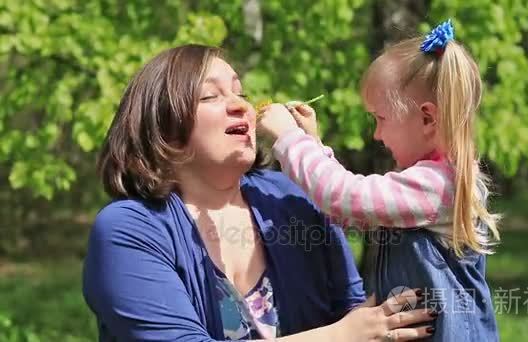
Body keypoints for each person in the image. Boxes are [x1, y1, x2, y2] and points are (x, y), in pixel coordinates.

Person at [82, 44, 437, 342]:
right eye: (210, 95)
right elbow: (352, 329)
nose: (241, 105)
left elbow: (355, 312)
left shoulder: (291, 198)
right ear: (162, 125)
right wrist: (341, 335)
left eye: (241, 93)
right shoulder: (129, 231)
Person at [258, 19, 500, 341]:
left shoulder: (438, 186)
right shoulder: (430, 184)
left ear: (427, 118)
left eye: (380, 119)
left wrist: (289, 139)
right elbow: (347, 209)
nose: (376, 134)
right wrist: (313, 145)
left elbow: (344, 196)